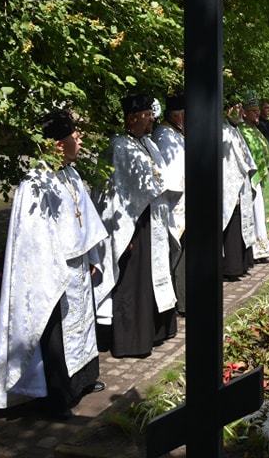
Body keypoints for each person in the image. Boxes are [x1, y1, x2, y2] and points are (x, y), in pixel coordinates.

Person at [0, 110, 107, 419]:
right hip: (54, 273)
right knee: (58, 334)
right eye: (75, 136)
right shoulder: (35, 183)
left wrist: (92, 257)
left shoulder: (70, 173)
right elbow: (33, 242)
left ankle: (81, 382)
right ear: (57, 145)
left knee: (82, 327)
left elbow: (86, 220)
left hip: (78, 267)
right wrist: (54, 272)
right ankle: (57, 396)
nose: (80, 140)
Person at [95, 94, 179, 358]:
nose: (152, 118)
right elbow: (113, 195)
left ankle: (155, 331)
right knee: (134, 281)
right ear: (132, 118)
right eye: (147, 115)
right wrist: (120, 232)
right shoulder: (119, 147)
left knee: (153, 278)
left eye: (152, 114)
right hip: (132, 226)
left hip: (153, 220)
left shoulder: (148, 144)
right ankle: (131, 340)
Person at [153, 92, 187, 316]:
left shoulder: (175, 132)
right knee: (177, 254)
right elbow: (174, 176)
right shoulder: (165, 136)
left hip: (183, 202)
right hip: (176, 204)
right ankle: (180, 302)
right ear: (178, 115)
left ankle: (184, 299)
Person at [238, 94, 269, 260]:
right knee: (256, 212)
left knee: (263, 211)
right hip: (253, 178)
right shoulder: (242, 130)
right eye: (253, 111)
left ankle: (266, 244)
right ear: (245, 113)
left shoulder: (254, 129)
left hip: (263, 177)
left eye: (257, 110)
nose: (257, 114)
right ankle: (257, 248)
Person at [222, 98, 257, 280]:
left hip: (240, 186)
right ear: (228, 110)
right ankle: (231, 268)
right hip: (229, 186)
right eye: (238, 108)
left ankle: (241, 264)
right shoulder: (223, 131)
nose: (241, 112)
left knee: (241, 223)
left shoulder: (234, 128)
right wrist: (232, 189)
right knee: (231, 226)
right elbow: (225, 164)